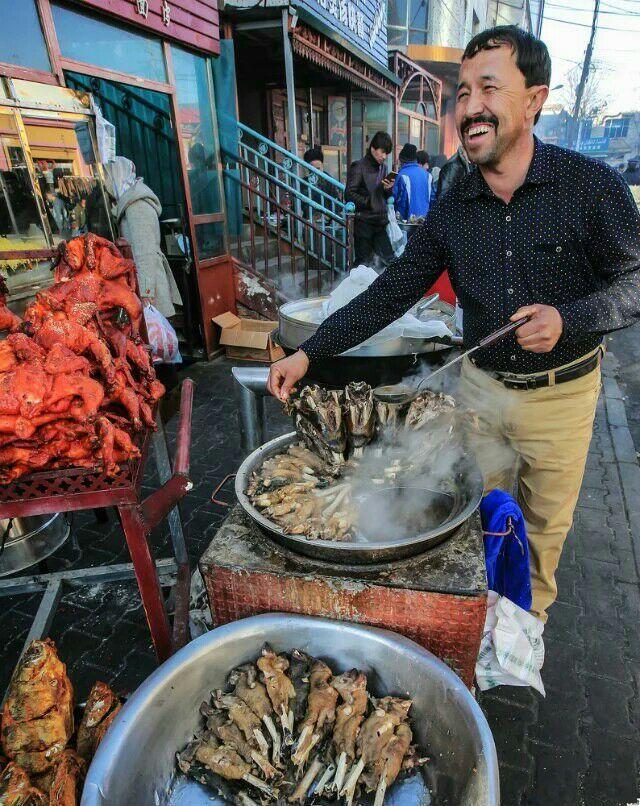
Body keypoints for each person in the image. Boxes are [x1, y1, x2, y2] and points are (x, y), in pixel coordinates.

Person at [267, 25, 640, 624]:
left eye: (488, 88)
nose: (469, 108)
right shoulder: (454, 199)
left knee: (542, 534)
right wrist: (311, 352)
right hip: (481, 392)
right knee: (475, 523)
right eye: (462, 93)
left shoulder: (590, 187)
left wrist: (568, 318)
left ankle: (524, 638)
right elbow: (392, 288)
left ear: (534, 98)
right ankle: (475, 629)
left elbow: (634, 282)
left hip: (562, 397)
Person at [106, 157, 182, 318]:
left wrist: (146, 293)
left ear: (116, 176)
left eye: (108, 176)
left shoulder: (136, 205)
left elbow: (145, 252)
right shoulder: (128, 201)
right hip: (142, 280)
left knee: (156, 335)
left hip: (148, 284)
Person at [344, 131, 395, 267]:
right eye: (382, 152)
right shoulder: (358, 166)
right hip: (364, 223)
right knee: (363, 264)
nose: (384, 156)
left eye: (387, 153)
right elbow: (349, 193)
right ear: (373, 148)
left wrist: (388, 189)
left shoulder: (383, 168)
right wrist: (369, 202)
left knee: (390, 261)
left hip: (379, 223)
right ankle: (354, 287)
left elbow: (383, 195)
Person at [392, 143, 432, 220]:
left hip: (407, 222)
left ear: (401, 160)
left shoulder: (402, 175)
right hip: (424, 221)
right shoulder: (428, 175)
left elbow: (397, 200)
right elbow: (432, 199)